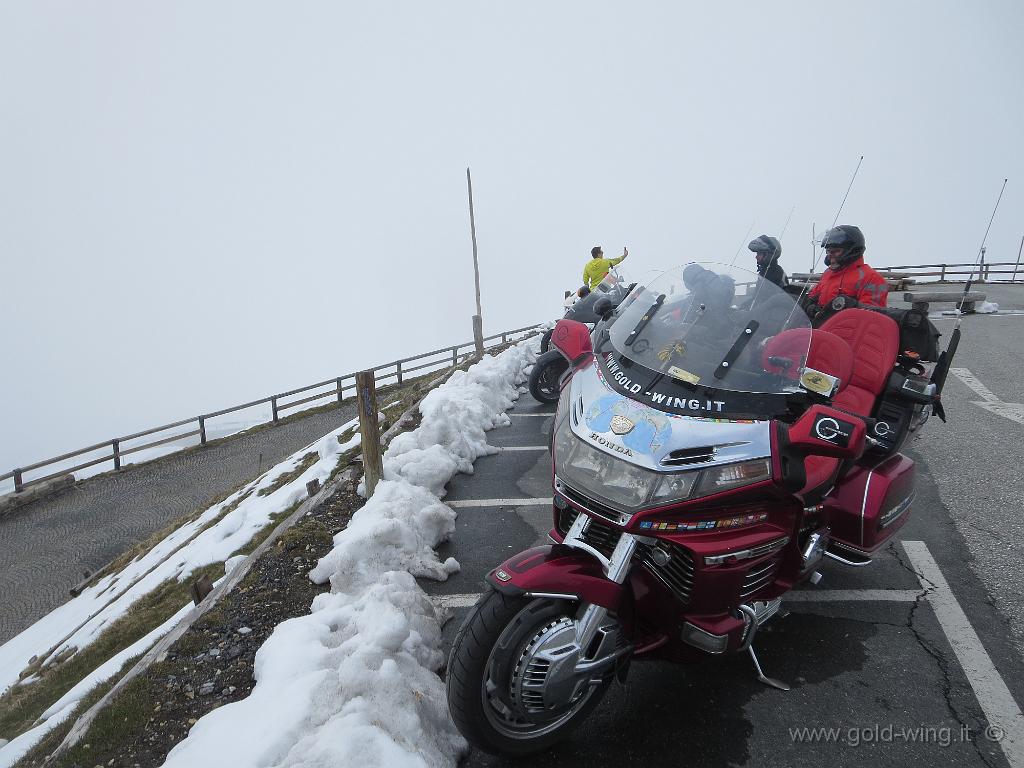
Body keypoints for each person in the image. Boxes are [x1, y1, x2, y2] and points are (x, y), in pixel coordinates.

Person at [805, 225, 888, 312]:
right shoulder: (828, 273)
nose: (830, 256)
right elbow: (813, 294)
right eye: (828, 251)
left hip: (847, 324)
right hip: (820, 324)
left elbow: (870, 316)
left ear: (852, 251)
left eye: (835, 251)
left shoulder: (871, 278)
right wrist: (810, 305)